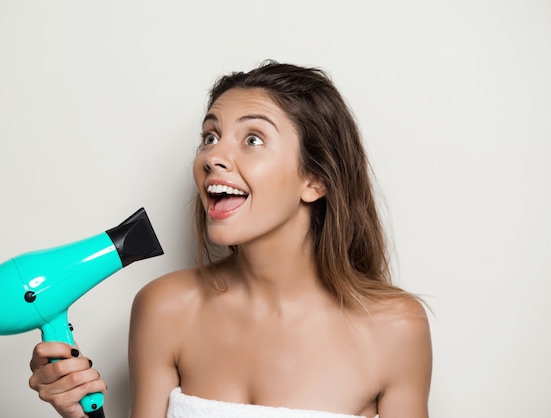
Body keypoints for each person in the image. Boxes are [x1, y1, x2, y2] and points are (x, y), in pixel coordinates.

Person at [29, 61, 432, 418]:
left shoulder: (395, 328)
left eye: (252, 139)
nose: (211, 157)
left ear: (315, 180)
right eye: (210, 137)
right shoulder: (166, 308)